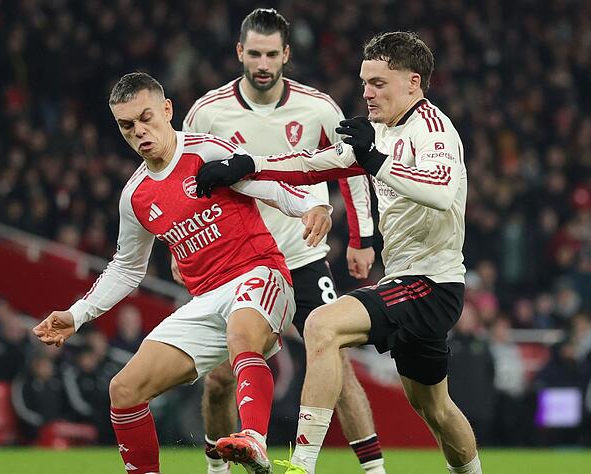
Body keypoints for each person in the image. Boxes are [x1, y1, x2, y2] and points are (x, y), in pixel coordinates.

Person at [196, 31, 483, 474]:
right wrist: (248, 166)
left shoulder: (433, 129)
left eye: (379, 83)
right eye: (364, 81)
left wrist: (374, 160)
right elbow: (312, 164)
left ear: (413, 82)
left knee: (322, 325)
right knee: (435, 408)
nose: (366, 92)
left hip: (433, 283)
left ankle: (302, 465)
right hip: (406, 280)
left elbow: (442, 193)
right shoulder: (380, 133)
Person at [32, 72, 332, 474]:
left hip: (260, 273)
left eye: (146, 118)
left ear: (168, 110)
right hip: (206, 298)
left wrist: (312, 206)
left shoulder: (206, 152)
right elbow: (126, 267)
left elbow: (268, 183)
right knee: (123, 390)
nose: (139, 131)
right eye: (127, 126)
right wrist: (78, 314)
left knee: (242, 334)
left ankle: (253, 439)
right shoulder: (135, 196)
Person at [182, 8, 385, 474]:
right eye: (254, 53)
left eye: (272, 54)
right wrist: (184, 249)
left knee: (336, 362)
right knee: (217, 378)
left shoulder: (318, 107)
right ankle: (219, 470)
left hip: (302, 257)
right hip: (233, 263)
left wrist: (361, 238)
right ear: (239, 52)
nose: (262, 63)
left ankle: (375, 472)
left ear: (286, 55)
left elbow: (351, 167)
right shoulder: (209, 112)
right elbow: (186, 183)